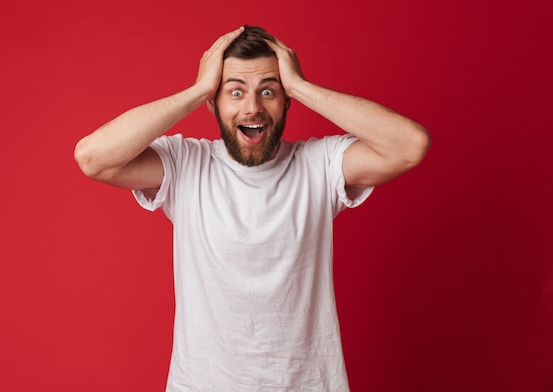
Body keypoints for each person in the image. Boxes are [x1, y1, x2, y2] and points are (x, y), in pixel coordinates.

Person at [74, 25, 431, 392]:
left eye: (268, 91)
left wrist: (300, 86)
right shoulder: (186, 164)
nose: (252, 107)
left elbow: (410, 146)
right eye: (235, 92)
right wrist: (198, 89)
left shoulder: (319, 164)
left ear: (286, 100)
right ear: (214, 101)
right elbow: (93, 158)